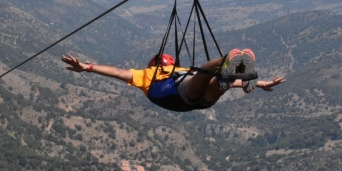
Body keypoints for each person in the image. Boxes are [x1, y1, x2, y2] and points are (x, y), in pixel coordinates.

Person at [61, 48, 286, 112]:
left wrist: (259, 83)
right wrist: (88, 67)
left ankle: (232, 65)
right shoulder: (150, 75)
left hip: (187, 100)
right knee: (206, 74)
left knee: (217, 82)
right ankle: (230, 59)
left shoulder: (156, 73)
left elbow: (119, 72)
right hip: (178, 93)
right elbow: (118, 72)